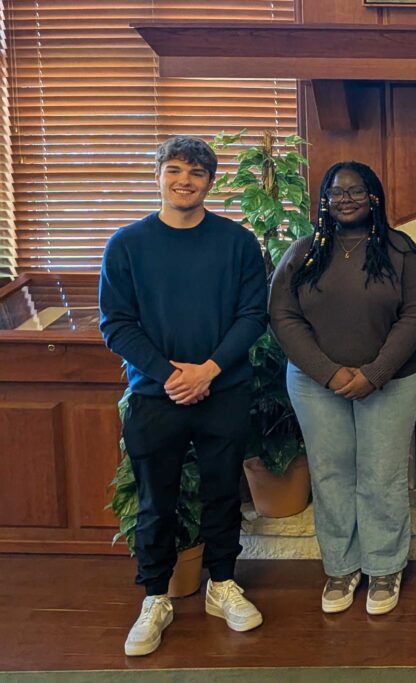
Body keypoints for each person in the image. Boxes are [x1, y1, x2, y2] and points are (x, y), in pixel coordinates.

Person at [100, 135, 267, 656]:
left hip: (224, 389)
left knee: (223, 493)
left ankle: (222, 584)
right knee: (156, 503)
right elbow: (117, 324)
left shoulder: (237, 243)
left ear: (210, 182)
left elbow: (253, 316)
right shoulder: (126, 245)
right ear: (158, 175)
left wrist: (209, 371)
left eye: (196, 173)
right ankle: (155, 597)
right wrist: (170, 373)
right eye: (174, 170)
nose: (184, 180)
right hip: (154, 395)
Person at [269, 161, 416, 616]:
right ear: (324, 200)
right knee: (331, 473)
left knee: (382, 475)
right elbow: (283, 316)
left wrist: (374, 373)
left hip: (393, 381)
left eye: (355, 191)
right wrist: (329, 372)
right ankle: (341, 566)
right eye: (336, 192)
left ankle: (383, 566)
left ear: (374, 197)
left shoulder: (401, 251)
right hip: (315, 383)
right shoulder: (302, 252)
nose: (345, 199)